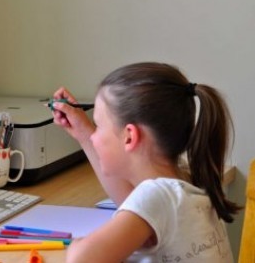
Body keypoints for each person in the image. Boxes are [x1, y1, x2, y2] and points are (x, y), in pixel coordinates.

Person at [51, 62, 241, 262]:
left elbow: (81, 260)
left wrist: (78, 245)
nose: (94, 137)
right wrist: (83, 131)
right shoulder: (186, 184)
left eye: (98, 126)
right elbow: (130, 200)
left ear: (130, 136)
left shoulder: (158, 196)